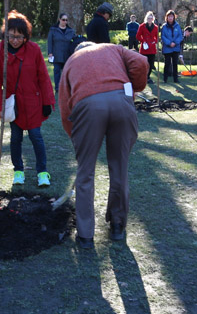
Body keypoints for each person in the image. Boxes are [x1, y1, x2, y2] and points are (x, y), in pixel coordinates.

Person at [58, 42, 149, 249]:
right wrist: (135, 88)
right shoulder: (113, 48)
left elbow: (64, 106)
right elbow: (141, 61)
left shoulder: (71, 61)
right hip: (122, 103)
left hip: (88, 107)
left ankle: (85, 236)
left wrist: (76, 138)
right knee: (119, 168)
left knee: (85, 172)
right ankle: (117, 226)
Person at [0, 11, 55, 188]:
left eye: (19, 37)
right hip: (14, 104)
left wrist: (47, 101)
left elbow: (43, 77)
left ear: (25, 36)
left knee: (36, 136)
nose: (15, 40)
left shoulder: (33, 50)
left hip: (33, 102)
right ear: (5, 35)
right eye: (11, 36)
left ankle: (42, 172)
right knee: (15, 138)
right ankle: (18, 171)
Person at [47, 12, 76, 94]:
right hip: (56, 55)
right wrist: (50, 53)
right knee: (57, 72)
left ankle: (67, 88)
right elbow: (50, 42)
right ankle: (57, 88)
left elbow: (75, 41)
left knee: (67, 72)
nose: (65, 22)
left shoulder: (70, 31)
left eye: (66, 20)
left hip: (67, 55)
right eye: (63, 20)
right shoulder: (53, 30)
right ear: (59, 19)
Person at [136, 11, 159, 84]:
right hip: (144, 48)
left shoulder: (155, 27)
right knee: (144, 64)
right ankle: (143, 77)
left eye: (151, 18)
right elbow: (138, 36)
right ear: (146, 18)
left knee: (151, 64)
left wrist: (154, 41)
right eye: (148, 18)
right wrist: (143, 41)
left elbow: (157, 37)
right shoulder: (142, 26)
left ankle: (148, 77)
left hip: (152, 48)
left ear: (153, 19)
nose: (150, 20)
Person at [160, 10, 183, 83]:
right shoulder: (164, 27)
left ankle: (175, 79)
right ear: (167, 17)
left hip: (175, 48)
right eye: (169, 16)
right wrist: (169, 43)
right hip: (167, 48)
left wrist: (175, 43)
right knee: (167, 63)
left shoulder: (177, 26)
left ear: (174, 17)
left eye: (172, 16)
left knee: (175, 64)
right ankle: (165, 79)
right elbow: (163, 36)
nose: (170, 18)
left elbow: (180, 36)